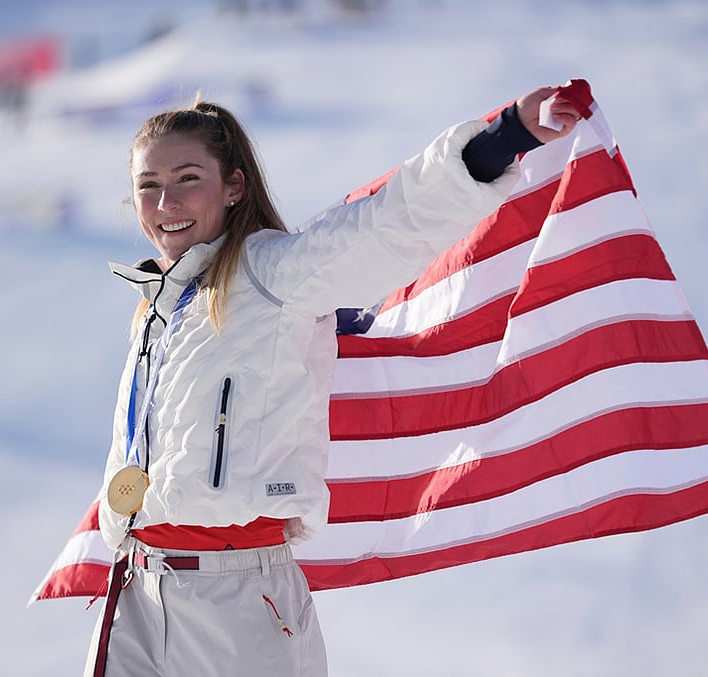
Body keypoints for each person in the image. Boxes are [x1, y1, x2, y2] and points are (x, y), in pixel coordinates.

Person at [84, 86, 580, 676]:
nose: (166, 200)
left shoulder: (275, 275)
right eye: (148, 184)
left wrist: (504, 139)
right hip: (138, 592)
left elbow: (382, 227)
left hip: (238, 602)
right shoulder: (155, 309)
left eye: (187, 177)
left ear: (234, 186)